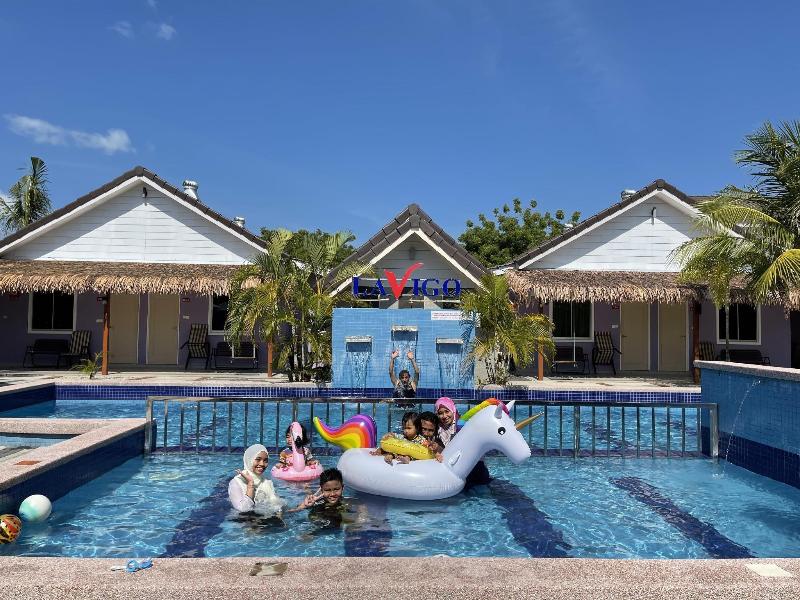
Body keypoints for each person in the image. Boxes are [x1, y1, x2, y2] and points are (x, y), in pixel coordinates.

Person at [228, 444, 284, 515]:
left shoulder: (266, 482)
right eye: (258, 459)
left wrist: (279, 516)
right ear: (249, 460)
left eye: (265, 460)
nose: (262, 464)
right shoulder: (236, 482)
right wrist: (250, 485)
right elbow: (243, 509)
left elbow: (276, 504)